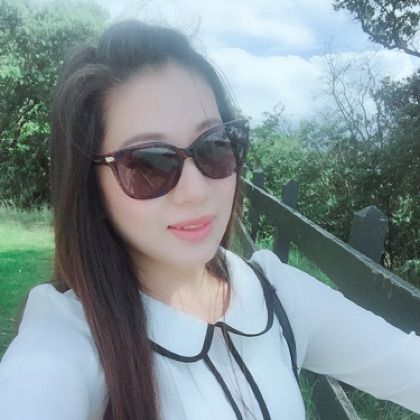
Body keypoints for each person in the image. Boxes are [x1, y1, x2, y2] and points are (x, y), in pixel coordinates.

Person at [0, 19, 419, 420]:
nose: (196, 190)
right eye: (148, 164)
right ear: (90, 185)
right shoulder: (68, 338)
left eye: (215, 145)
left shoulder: (279, 296)